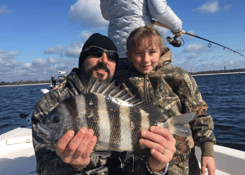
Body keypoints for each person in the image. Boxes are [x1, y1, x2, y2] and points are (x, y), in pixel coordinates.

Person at [32, 33, 176, 174]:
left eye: (112, 57)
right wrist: (71, 167)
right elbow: (44, 168)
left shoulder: (122, 99)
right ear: (83, 59)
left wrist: (155, 166)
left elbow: (131, 164)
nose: (104, 60)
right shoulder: (51, 103)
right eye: (96, 53)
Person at [114, 25, 216, 175]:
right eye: (138, 53)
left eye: (152, 52)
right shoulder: (121, 81)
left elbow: (199, 115)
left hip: (183, 166)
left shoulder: (178, 76)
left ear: (161, 50)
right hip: (141, 166)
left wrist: (208, 151)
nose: (145, 59)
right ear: (129, 54)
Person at [100, 0, 183, 71]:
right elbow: (159, 11)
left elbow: (106, 15)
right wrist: (177, 27)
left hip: (116, 50)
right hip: (141, 47)